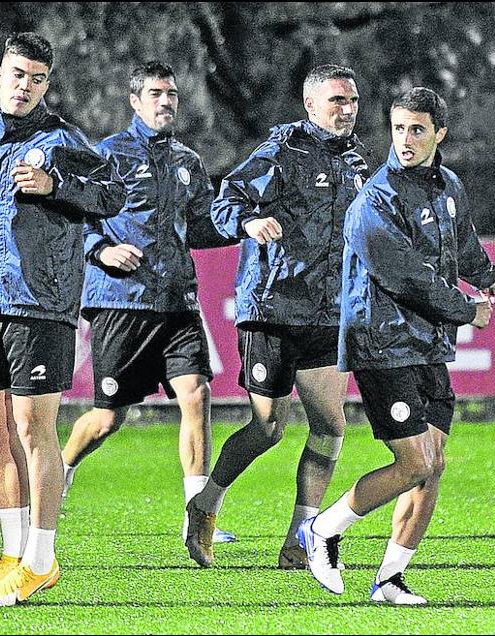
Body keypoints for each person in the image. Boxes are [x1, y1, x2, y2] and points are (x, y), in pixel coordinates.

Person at [0, 32, 124, 605]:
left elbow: (113, 195)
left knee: (34, 431)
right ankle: (13, 553)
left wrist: (55, 185)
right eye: (18, 74)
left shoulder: (62, 140)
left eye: (37, 78)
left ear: (47, 83)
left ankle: (41, 559)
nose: (26, 86)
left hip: (42, 303)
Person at [297, 87, 495, 605]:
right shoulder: (373, 201)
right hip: (382, 342)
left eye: (417, 129)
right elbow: (407, 279)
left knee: (433, 464)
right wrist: (467, 310)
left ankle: (389, 579)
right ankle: (321, 529)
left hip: (428, 344)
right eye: (397, 129)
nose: (406, 139)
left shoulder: (449, 184)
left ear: (440, 132)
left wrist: (489, 276)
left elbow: (462, 245)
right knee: (413, 463)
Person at [184, 64, 370, 569]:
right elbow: (226, 202)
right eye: (337, 100)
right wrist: (249, 220)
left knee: (331, 427)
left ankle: (300, 536)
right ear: (311, 105)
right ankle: (205, 505)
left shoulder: (357, 161)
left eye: (352, 100)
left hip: (329, 313)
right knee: (269, 427)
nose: (347, 109)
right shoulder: (281, 153)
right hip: (272, 308)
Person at [60, 60, 236, 546]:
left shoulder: (188, 162)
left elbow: (202, 226)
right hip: (122, 302)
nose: (166, 102)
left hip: (177, 300)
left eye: (172, 94)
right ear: (135, 101)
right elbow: (77, 216)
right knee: (107, 419)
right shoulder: (109, 155)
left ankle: (197, 515)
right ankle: (60, 471)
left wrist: (245, 224)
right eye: (156, 94)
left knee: (197, 395)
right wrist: (103, 250)